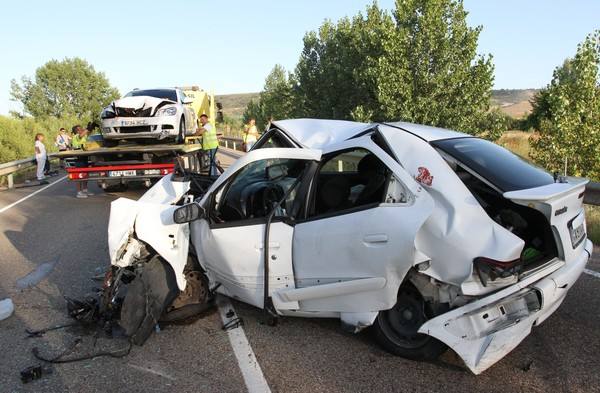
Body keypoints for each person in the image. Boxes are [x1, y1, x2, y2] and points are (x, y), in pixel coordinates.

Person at [71, 125, 92, 198]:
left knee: (86, 174)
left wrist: (90, 128)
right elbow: (81, 135)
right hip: (78, 157)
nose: (82, 129)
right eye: (80, 129)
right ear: (77, 131)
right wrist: (87, 129)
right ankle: (79, 192)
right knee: (79, 175)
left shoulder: (83, 136)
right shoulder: (76, 136)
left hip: (84, 156)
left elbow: (87, 133)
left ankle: (85, 190)